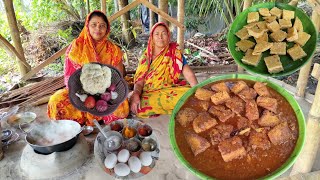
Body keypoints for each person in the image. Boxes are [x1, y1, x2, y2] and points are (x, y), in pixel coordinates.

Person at [47, 10, 129, 126]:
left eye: (102, 26)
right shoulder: (76, 47)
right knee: (56, 101)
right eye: (94, 25)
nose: (98, 29)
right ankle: (82, 120)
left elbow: (118, 75)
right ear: (87, 26)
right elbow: (70, 77)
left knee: (122, 104)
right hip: (81, 93)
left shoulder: (113, 49)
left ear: (107, 29)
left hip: (105, 93)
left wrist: (105, 91)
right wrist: (85, 94)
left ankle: (94, 115)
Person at [130, 22, 198, 118]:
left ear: (168, 36)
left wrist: (197, 90)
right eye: (156, 34)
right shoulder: (146, 57)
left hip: (170, 89)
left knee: (189, 96)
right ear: (152, 37)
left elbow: (189, 74)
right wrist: (136, 94)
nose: (160, 37)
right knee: (138, 106)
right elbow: (139, 81)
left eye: (164, 33)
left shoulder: (175, 53)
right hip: (149, 93)